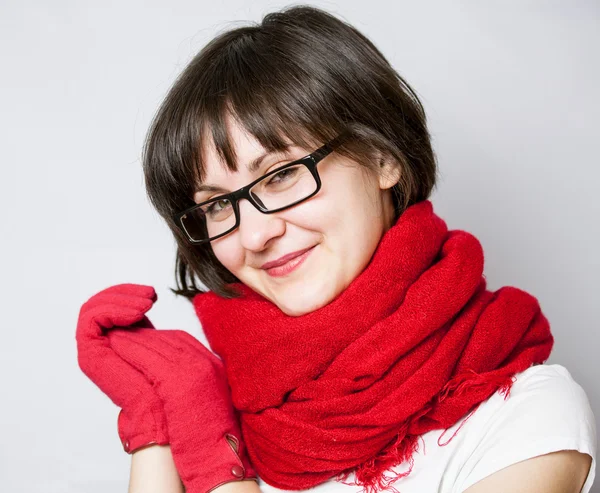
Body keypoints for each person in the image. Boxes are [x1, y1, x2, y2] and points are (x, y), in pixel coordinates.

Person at [75, 5, 596, 493]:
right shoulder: (211, 408)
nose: (254, 236)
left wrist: (215, 464)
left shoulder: (530, 417)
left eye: (280, 175)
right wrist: (157, 421)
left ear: (380, 157)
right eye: (216, 206)